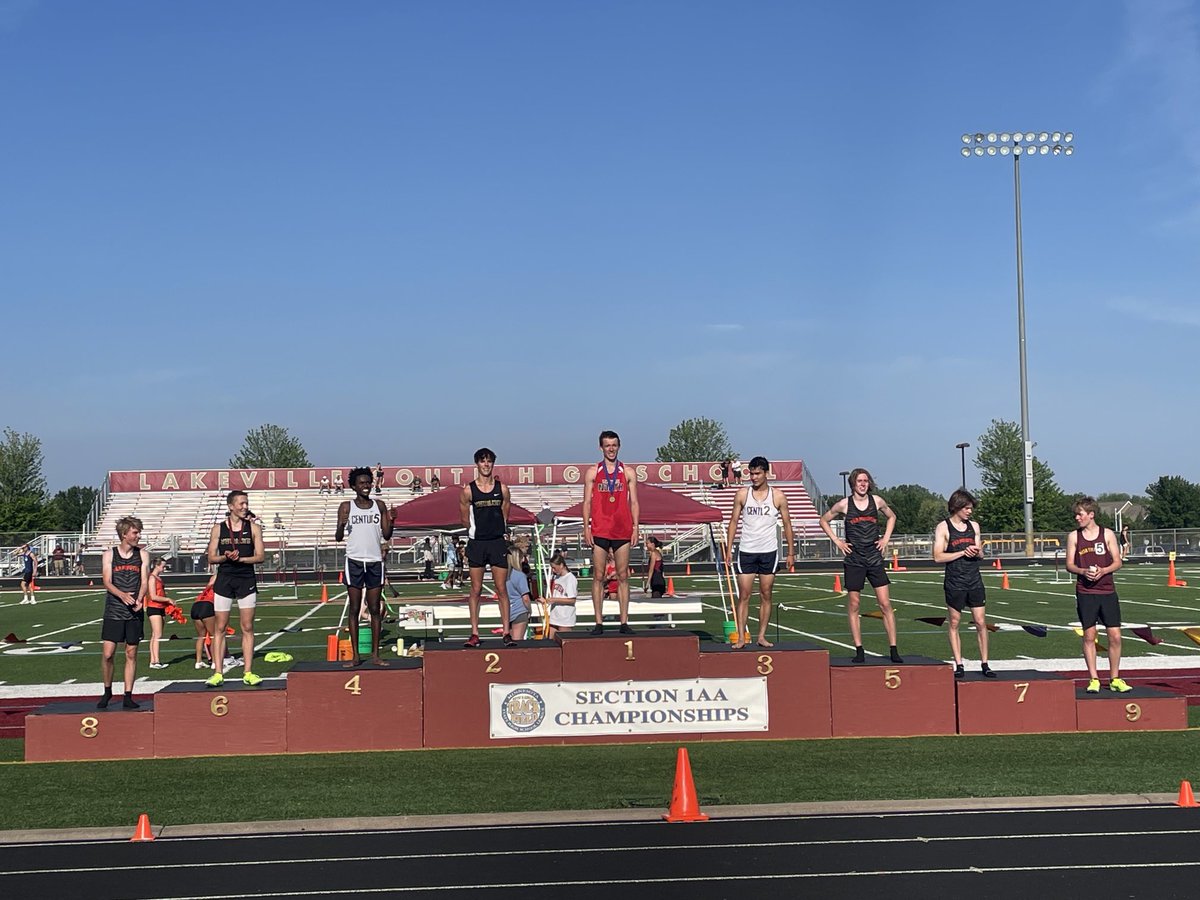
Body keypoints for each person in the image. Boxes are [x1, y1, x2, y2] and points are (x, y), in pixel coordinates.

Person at [819, 467, 902, 663]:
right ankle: (859, 649)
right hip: (854, 559)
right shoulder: (844, 504)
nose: (863, 484)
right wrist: (838, 542)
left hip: (874, 558)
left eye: (866, 481)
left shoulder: (877, 501)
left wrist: (886, 539)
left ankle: (893, 648)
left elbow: (892, 517)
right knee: (854, 604)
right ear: (853, 484)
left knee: (885, 603)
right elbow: (823, 520)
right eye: (859, 481)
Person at [724, 456, 796, 649]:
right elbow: (733, 521)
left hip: (768, 551)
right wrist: (729, 548)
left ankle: (762, 636)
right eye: (751, 473)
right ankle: (741, 637)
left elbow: (788, 524)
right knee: (744, 595)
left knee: (766, 594)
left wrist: (791, 552)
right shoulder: (742, 494)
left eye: (757, 473)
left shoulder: (778, 496)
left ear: (766, 473)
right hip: (747, 550)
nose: (753, 477)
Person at [1066, 496, 1130, 693]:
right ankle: (1093, 678)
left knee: (1115, 636)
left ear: (1091, 515)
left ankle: (1115, 678)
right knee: (1089, 635)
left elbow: (1118, 561)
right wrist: (1083, 571)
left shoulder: (1107, 534)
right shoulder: (1074, 537)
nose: (1077, 518)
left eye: (1080, 514)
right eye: (1076, 514)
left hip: (1107, 590)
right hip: (1086, 592)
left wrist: (1103, 570)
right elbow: (1069, 564)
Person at [582, 430, 640, 634]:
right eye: (607, 445)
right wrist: (586, 527)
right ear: (601, 448)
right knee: (598, 576)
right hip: (600, 528)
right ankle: (599, 622)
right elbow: (587, 501)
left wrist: (636, 527)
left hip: (622, 529)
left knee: (623, 576)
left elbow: (634, 501)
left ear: (619, 446)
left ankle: (624, 622)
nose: (611, 449)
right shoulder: (593, 472)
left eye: (614, 445)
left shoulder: (628, 472)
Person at [205, 490, 265, 686]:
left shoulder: (254, 528)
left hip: (246, 578)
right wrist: (225, 557)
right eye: (241, 503)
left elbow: (260, 557)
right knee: (219, 627)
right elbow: (211, 557)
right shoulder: (218, 529)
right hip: (224, 579)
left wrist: (241, 559)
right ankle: (218, 672)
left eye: (246, 503)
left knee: (247, 627)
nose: (245, 507)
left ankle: (247, 672)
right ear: (231, 506)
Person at [335, 467, 393, 667]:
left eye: (368, 482)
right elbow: (338, 537)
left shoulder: (380, 505)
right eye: (361, 483)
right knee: (354, 608)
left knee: (375, 608)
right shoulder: (346, 507)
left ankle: (376, 655)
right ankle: (356, 655)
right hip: (354, 561)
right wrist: (341, 525)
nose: (366, 486)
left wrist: (391, 521)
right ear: (353, 486)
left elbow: (386, 535)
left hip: (375, 561)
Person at [933, 490, 994, 679]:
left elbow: (981, 554)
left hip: (974, 580)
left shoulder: (974, 526)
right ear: (957, 507)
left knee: (981, 622)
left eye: (971, 508)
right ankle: (959, 663)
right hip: (955, 581)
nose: (970, 512)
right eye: (967, 508)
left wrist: (978, 552)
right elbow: (937, 556)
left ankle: (985, 663)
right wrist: (961, 552)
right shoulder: (943, 527)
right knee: (954, 622)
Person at [460, 447, 511, 646]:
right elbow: (464, 519)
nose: (486, 464)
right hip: (477, 543)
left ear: (493, 463)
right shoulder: (468, 491)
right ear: (477, 464)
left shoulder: (503, 489)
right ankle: (474, 633)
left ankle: (506, 632)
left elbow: (505, 513)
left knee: (501, 588)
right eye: (482, 461)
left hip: (497, 542)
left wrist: (498, 530)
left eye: (489, 461)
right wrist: (476, 532)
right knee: (476, 589)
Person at [98, 516, 149, 709]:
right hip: (114, 609)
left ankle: (128, 694)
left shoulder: (142, 555)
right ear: (124, 534)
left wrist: (140, 598)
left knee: (131, 652)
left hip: (134, 609)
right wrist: (122, 595)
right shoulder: (109, 555)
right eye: (135, 532)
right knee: (108, 653)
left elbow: (144, 581)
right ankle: (107, 690)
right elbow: (107, 582)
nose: (138, 536)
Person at [144, 556, 171, 670]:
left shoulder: (158, 578)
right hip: (154, 607)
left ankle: (154, 660)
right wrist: (168, 600)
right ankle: (155, 661)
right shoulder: (152, 578)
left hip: (160, 607)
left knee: (155, 635)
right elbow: (153, 596)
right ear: (157, 565)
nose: (164, 568)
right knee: (158, 635)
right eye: (163, 566)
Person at [547, 552, 577, 639]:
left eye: (554, 568)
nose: (553, 570)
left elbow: (572, 600)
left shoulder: (570, 579)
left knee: (564, 643)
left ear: (561, 565)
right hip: (555, 616)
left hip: (565, 618)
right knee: (551, 642)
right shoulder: (557, 578)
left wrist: (554, 600)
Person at [505, 546, 533, 641]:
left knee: (509, 642)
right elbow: (525, 598)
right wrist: (529, 610)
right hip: (519, 611)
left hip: (507, 612)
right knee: (518, 642)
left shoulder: (503, 576)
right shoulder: (520, 575)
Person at [191, 572, 217, 670]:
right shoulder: (218, 588)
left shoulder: (207, 588)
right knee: (214, 635)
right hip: (207, 605)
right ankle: (214, 662)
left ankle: (198, 662)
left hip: (196, 605)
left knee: (201, 636)